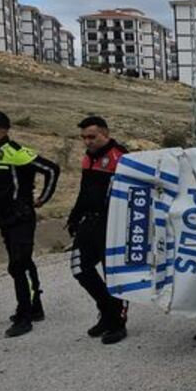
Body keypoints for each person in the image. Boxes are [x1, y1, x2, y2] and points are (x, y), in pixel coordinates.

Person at [0, 110, 60, 338]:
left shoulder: (16, 152)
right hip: (4, 218)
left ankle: (24, 317)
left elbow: (52, 169)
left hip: (21, 217)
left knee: (17, 265)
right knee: (23, 263)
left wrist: (43, 198)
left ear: (4, 130)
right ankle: (35, 307)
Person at [67, 116, 129, 344]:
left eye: (92, 137)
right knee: (80, 269)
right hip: (89, 222)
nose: (87, 141)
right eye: (83, 137)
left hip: (113, 223)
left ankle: (117, 322)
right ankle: (107, 310)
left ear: (105, 133)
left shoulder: (120, 156)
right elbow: (85, 190)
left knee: (112, 273)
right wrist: (73, 218)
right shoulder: (88, 158)